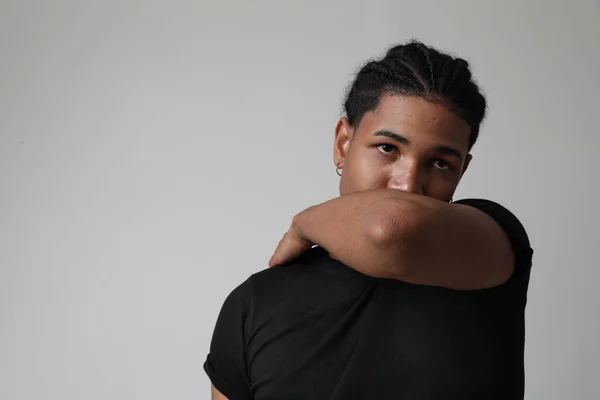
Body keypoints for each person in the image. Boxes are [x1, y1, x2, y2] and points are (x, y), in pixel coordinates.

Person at [204, 40, 534, 400]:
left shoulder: (492, 242)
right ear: (343, 144)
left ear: (462, 171)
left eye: (440, 163)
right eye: (388, 148)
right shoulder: (256, 303)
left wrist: (304, 223)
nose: (408, 185)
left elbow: (388, 229)